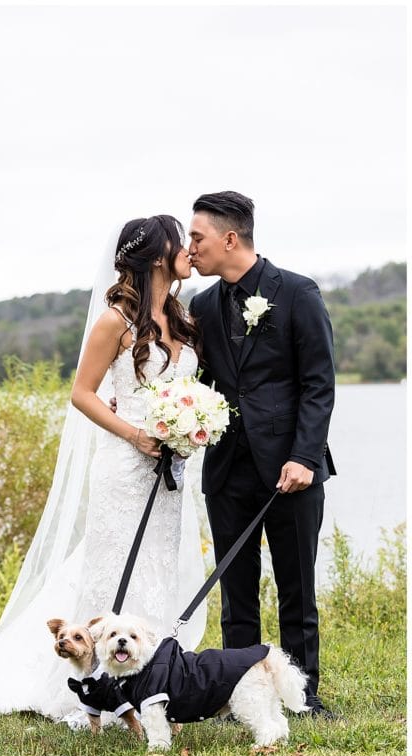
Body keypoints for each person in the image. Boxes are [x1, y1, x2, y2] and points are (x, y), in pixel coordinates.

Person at [0, 216, 208, 725]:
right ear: (159, 255)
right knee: (114, 569)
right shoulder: (117, 319)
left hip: (170, 470)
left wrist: (189, 426)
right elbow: (81, 393)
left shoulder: (181, 317)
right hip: (126, 462)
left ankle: (153, 681)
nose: (189, 249)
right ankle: (93, 686)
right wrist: (136, 434)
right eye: (182, 240)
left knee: (158, 567)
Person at [187, 191, 336, 716]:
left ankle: (302, 698)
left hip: (290, 468)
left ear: (231, 238)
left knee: (297, 588)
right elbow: (198, 385)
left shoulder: (296, 292)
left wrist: (305, 457)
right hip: (226, 469)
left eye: (197, 237)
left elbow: (319, 383)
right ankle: (238, 696)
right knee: (237, 593)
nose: (191, 248)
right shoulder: (202, 305)